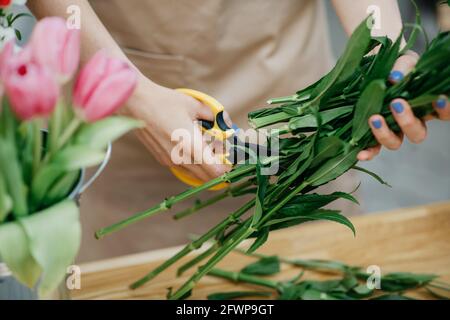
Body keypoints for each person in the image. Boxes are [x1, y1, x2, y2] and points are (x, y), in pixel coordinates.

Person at [27, 0, 449, 261]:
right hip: (121, 98)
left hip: (297, 115)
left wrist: (379, 54)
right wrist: (132, 96)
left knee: (314, 269)